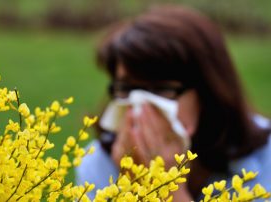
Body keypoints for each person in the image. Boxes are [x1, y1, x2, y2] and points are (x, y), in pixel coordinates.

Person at [76, 5, 271, 201]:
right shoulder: (99, 163)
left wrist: (167, 186)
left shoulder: (266, 159)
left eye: (161, 89)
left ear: (207, 92)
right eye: (127, 88)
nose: (141, 105)